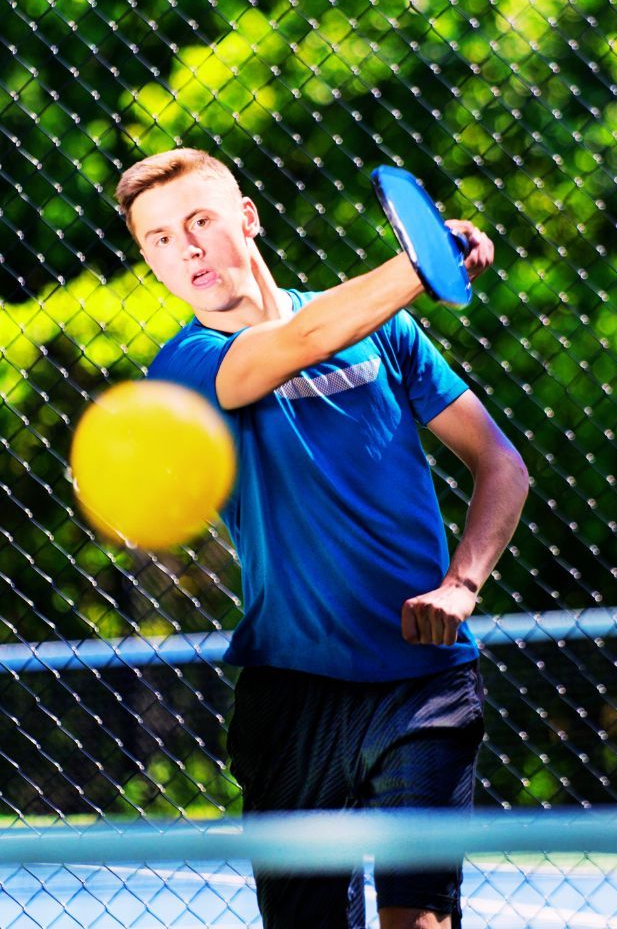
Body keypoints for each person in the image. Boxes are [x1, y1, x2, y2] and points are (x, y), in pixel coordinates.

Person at [114, 149, 529, 929]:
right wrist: (422, 260)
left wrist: (461, 583)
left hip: (425, 682)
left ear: (248, 219)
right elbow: (298, 340)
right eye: (159, 239)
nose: (187, 248)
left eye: (200, 221)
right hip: (291, 691)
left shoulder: (388, 334)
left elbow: (502, 464)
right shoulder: (185, 368)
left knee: (423, 923)